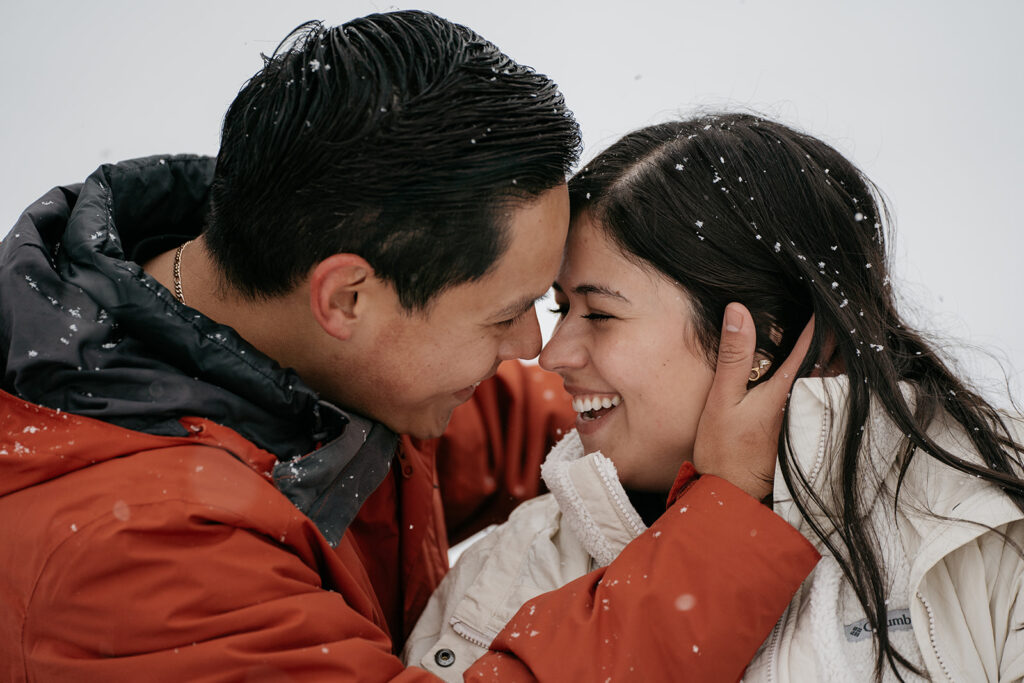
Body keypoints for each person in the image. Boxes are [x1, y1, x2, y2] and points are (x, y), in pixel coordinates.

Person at [0, 13, 820, 682]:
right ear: (346, 297)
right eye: (505, 315)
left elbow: (500, 425)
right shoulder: (133, 555)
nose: (535, 348)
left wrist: (660, 402)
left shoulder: (264, 323)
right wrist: (728, 521)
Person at [405, 112, 1024, 682]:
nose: (551, 354)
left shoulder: (987, 524)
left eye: (598, 313)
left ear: (769, 335)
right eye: (561, 307)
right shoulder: (501, 576)